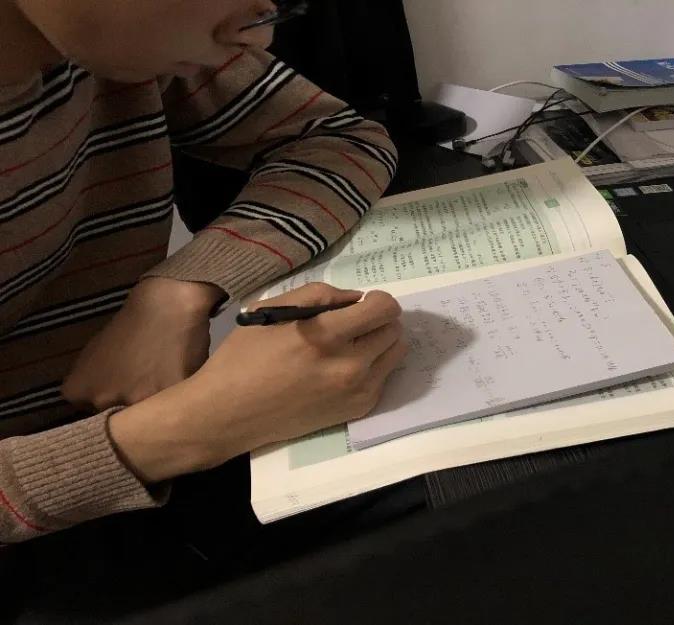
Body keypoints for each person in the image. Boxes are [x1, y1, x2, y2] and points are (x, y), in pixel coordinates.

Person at [0, 0, 408, 544]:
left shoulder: (113, 44)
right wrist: (187, 429)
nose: (260, 38)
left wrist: (177, 291)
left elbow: (339, 140)